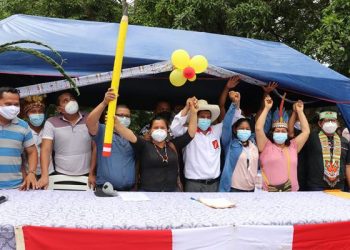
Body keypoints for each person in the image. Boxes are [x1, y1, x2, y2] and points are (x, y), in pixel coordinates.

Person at [115, 98, 198, 192]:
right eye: (155, 127)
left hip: (172, 193)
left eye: (162, 127)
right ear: (150, 131)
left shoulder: (173, 145)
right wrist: (117, 124)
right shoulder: (143, 145)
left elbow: (191, 134)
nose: (159, 129)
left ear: (167, 130)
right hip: (148, 193)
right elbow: (129, 134)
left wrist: (193, 112)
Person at [38, 91, 94, 188]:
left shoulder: (89, 118)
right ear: (59, 109)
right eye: (65, 101)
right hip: (60, 173)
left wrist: (92, 173)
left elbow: (95, 147)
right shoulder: (51, 122)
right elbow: (46, 150)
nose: (70, 102)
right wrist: (44, 175)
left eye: (72, 99)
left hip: (87, 175)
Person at [255, 95, 310, 191]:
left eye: (283, 131)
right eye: (277, 130)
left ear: (287, 134)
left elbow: (306, 131)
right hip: (267, 193)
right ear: (272, 133)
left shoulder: (293, 146)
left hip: (291, 193)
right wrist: (266, 108)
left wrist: (300, 112)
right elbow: (258, 128)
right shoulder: (266, 146)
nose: (280, 132)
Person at [86, 88, 136, 191]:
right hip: (105, 190)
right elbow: (90, 122)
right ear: (112, 115)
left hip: (128, 191)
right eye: (121, 115)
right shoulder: (103, 131)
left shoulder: (132, 136)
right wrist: (105, 103)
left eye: (127, 116)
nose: (124, 118)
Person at [219, 90, 259, 192]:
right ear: (235, 130)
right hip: (234, 190)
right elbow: (226, 125)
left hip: (253, 191)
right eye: (241, 128)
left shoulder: (254, 144)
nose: (245, 131)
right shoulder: (230, 144)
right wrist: (234, 104)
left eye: (247, 129)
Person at [0, 87, 37, 190]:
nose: (13, 108)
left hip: (15, 187)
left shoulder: (23, 126)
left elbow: (32, 151)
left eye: (16, 104)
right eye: (8, 104)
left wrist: (31, 173)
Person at [303, 110, 350, 191]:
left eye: (333, 121)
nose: (331, 123)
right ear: (320, 124)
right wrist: (300, 111)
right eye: (327, 120)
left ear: (337, 124)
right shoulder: (312, 138)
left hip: (339, 187)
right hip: (316, 186)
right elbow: (304, 130)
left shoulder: (344, 141)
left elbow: (348, 166)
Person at [21, 95, 54, 178]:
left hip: (49, 172)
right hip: (29, 173)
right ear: (26, 114)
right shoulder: (23, 130)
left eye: (40, 111)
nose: (38, 114)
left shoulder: (49, 128)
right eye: (33, 111)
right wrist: (24, 175)